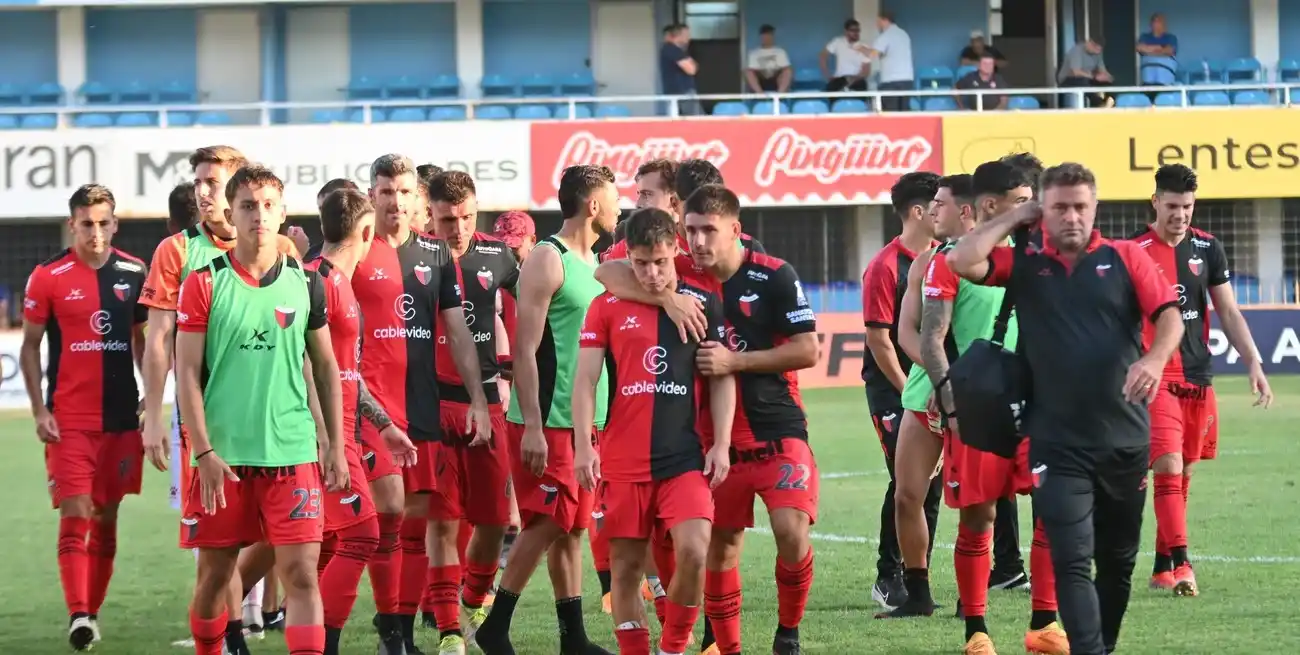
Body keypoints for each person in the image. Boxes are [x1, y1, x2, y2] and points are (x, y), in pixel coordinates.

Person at [945, 162, 1184, 655]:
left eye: (1080, 206)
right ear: (1043, 211)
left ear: (1095, 208)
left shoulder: (1126, 259)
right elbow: (962, 261)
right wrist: (1016, 217)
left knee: (1116, 564)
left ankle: (1101, 645)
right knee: (1073, 560)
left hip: (1123, 437)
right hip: (1054, 440)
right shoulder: (1026, 263)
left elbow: (1170, 317)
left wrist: (1156, 359)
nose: (1071, 216)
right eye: (1059, 207)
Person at [595, 185, 820, 655]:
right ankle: (725, 647)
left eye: (708, 231)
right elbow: (607, 269)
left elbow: (807, 350)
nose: (697, 241)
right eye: (690, 231)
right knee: (718, 549)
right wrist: (665, 300)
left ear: (735, 230)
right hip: (709, 436)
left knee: (791, 531)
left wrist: (734, 362)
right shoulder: (677, 272)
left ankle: (789, 631)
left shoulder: (775, 275)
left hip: (774, 424)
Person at [174, 165, 347, 655]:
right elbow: (186, 373)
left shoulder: (308, 285)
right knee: (214, 579)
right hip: (223, 459)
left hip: (291, 453)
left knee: (301, 575)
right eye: (248, 205)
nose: (259, 215)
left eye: (269, 205)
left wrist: (334, 444)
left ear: (283, 213)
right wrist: (203, 451)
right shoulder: (204, 283)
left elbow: (327, 368)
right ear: (230, 213)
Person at [140, 145, 299, 654]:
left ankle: (245, 618)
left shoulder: (284, 254)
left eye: (212, 182)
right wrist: (152, 411)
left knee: (281, 534)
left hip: (276, 421)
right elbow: (160, 339)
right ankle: (230, 633)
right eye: (199, 183)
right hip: (206, 421)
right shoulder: (177, 251)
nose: (201, 193)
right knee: (215, 541)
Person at [918, 163, 1068, 654]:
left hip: (1044, 400)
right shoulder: (951, 260)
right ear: (990, 207)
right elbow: (932, 338)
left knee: (1051, 507)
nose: (1034, 207)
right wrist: (949, 398)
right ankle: (976, 630)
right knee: (979, 517)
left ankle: (1045, 623)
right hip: (982, 403)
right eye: (1023, 199)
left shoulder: (1046, 254)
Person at [573, 206, 736, 655]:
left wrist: (721, 443)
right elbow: (584, 381)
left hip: (684, 455)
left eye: (660, 262)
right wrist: (583, 447)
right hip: (624, 461)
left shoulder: (701, 304)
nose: (650, 273)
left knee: (695, 550)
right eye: (641, 263)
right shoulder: (605, 306)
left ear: (675, 252)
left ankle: (673, 647)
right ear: (630, 259)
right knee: (625, 569)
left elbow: (721, 376)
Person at [474, 165, 620, 655]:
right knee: (550, 522)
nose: (620, 207)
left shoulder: (596, 261)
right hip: (550, 421)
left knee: (574, 529)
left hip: (586, 421)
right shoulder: (547, 257)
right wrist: (532, 425)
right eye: (614, 198)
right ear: (593, 204)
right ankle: (494, 627)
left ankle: (572, 638)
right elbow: (526, 350)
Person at [350, 154, 489, 655]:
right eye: (386, 191)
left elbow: (458, 333)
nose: (395, 201)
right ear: (372, 196)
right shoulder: (354, 254)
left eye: (404, 192)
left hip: (422, 408)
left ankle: (400, 634)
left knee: (415, 524)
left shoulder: (435, 257)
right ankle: (385, 624)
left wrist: (477, 398)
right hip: (368, 410)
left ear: (416, 200)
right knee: (385, 515)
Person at [1130, 164, 1273, 596]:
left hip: (1198, 376)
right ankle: (1183, 564)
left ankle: (1160, 568)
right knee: (1168, 467)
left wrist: (1254, 362)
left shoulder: (1207, 248)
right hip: (1156, 377)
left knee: (1184, 474)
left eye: (1187, 206)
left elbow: (1228, 311)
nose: (1180, 214)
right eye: (1172, 206)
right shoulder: (1132, 250)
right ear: (1155, 201)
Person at [20, 184, 148, 651]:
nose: (95, 232)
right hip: (68, 421)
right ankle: (77, 614)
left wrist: (152, 397)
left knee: (107, 517)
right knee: (76, 512)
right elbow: (30, 348)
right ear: (72, 224)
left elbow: (142, 341)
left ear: (114, 224)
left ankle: (91, 612)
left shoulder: (135, 272)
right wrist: (38, 409)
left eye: (103, 223)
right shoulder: (48, 276)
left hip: (120, 422)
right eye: (86, 223)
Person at [303, 188, 418, 655]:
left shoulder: (342, 284)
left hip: (351, 426)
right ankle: (319, 644)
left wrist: (384, 423)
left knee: (336, 539)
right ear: (367, 231)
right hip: (328, 433)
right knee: (361, 533)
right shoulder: (316, 282)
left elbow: (346, 371)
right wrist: (326, 438)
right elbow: (307, 367)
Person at [421, 171, 521, 655]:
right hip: (431, 406)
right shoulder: (412, 257)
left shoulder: (498, 256)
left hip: (489, 402)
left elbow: (535, 311)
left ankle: (473, 596)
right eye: (445, 219)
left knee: (496, 520)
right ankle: (447, 631)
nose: (456, 228)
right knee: (441, 523)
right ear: (431, 215)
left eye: (465, 217)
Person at [860, 172, 943, 612]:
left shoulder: (944, 260)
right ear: (918, 211)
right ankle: (887, 576)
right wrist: (910, 389)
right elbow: (879, 339)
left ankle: (918, 575)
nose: (945, 211)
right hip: (893, 392)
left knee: (933, 485)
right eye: (938, 204)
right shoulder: (886, 266)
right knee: (907, 482)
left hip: (931, 388)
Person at [491, 210, 536, 570]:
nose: (511, 255)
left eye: (516, 247)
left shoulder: (540, 279)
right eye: (504, 247)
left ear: (531, 243)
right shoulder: (499, 283)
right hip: (505, 376)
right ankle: (511, 530)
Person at [298, 178, 361, 261]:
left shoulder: (378, 249)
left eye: (330, 208)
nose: (324, 215)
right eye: (321, 209)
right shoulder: (311, 255)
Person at [1057, 38, 1113, 108]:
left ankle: (1110, 102)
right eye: (1096, 49)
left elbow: (1102, 69)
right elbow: (1076, 72)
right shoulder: (1076, 51)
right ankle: (1099, 104)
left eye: (1099, 50)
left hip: (1088, 77)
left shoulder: (1097, 53)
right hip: (1068, 79)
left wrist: (1108, 77)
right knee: (1083, 81)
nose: (1097, 52)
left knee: (1108, 81)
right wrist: (1094, 77)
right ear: (1090, 43)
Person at [821, 19, 871, 92]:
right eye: (853, 30)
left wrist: (854, 79)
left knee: (862, 86)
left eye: (858, 30)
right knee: (830, 90)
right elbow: (822, 55)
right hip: (839, 79)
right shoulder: (837, 42)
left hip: (857, 79)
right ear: (846, 31)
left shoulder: (864, 46)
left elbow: (866, 71)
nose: (856, 33)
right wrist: (827, 74)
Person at [660, 24, 699, 116]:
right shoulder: (672, 49)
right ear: (677, 35)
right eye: (686, 34)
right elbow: (691, 70)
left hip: (677, 92)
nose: (688, 37)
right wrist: (690, 62)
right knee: (694, 122)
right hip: (681, 92)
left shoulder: (678, 50)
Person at [745, 24, 792, 93]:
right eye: (765, 35)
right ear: (761, 37)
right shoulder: (754, 53)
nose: (767, 37)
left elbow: (785, 68)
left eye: (769, 35)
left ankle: (780, 94)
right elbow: (752, 69)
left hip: (776, 78)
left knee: (787, 71)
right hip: (761, 78)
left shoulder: (780, 51)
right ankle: (760, 95)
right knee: (748, 72)